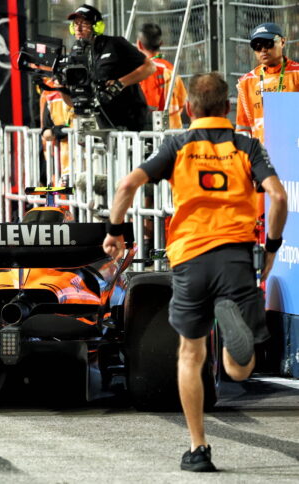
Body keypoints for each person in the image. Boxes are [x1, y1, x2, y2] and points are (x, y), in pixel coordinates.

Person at [102, 73, 287, 472]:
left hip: (189, 258)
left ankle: (198, 448)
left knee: (190, 351)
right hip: (236, 257)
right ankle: (231, 334)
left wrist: (115, 231)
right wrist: (271, 247)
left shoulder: (177, 144)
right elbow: (278, 194)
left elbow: (127, 186)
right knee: (241, 367)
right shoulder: (246, 145)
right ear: (228, 109)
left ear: (189, 109)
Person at [65, 4, 155, 131]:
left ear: (97, 26)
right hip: (104, 126)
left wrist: (119, 84)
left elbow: (150, 67)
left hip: (134, 123)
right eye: (75, 24)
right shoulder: (75, 55)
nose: (78, 28)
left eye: (84, 24)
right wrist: (60, 88)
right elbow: (74, 102)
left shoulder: (115, 44)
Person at [236, 22, 299, 141]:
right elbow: (243, 127)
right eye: (257, 46)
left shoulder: (297, 74)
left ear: (282, 42)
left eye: (268, 44)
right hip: (260, 154)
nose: (263, 50)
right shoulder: (246, 82)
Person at [136, 23, 187, 129]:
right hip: (172, 129)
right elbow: (182, 102)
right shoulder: (171, 69)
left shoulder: (140, 72)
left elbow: (147, 107)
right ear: (161, 43)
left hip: (150, 132)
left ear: (139, 44)